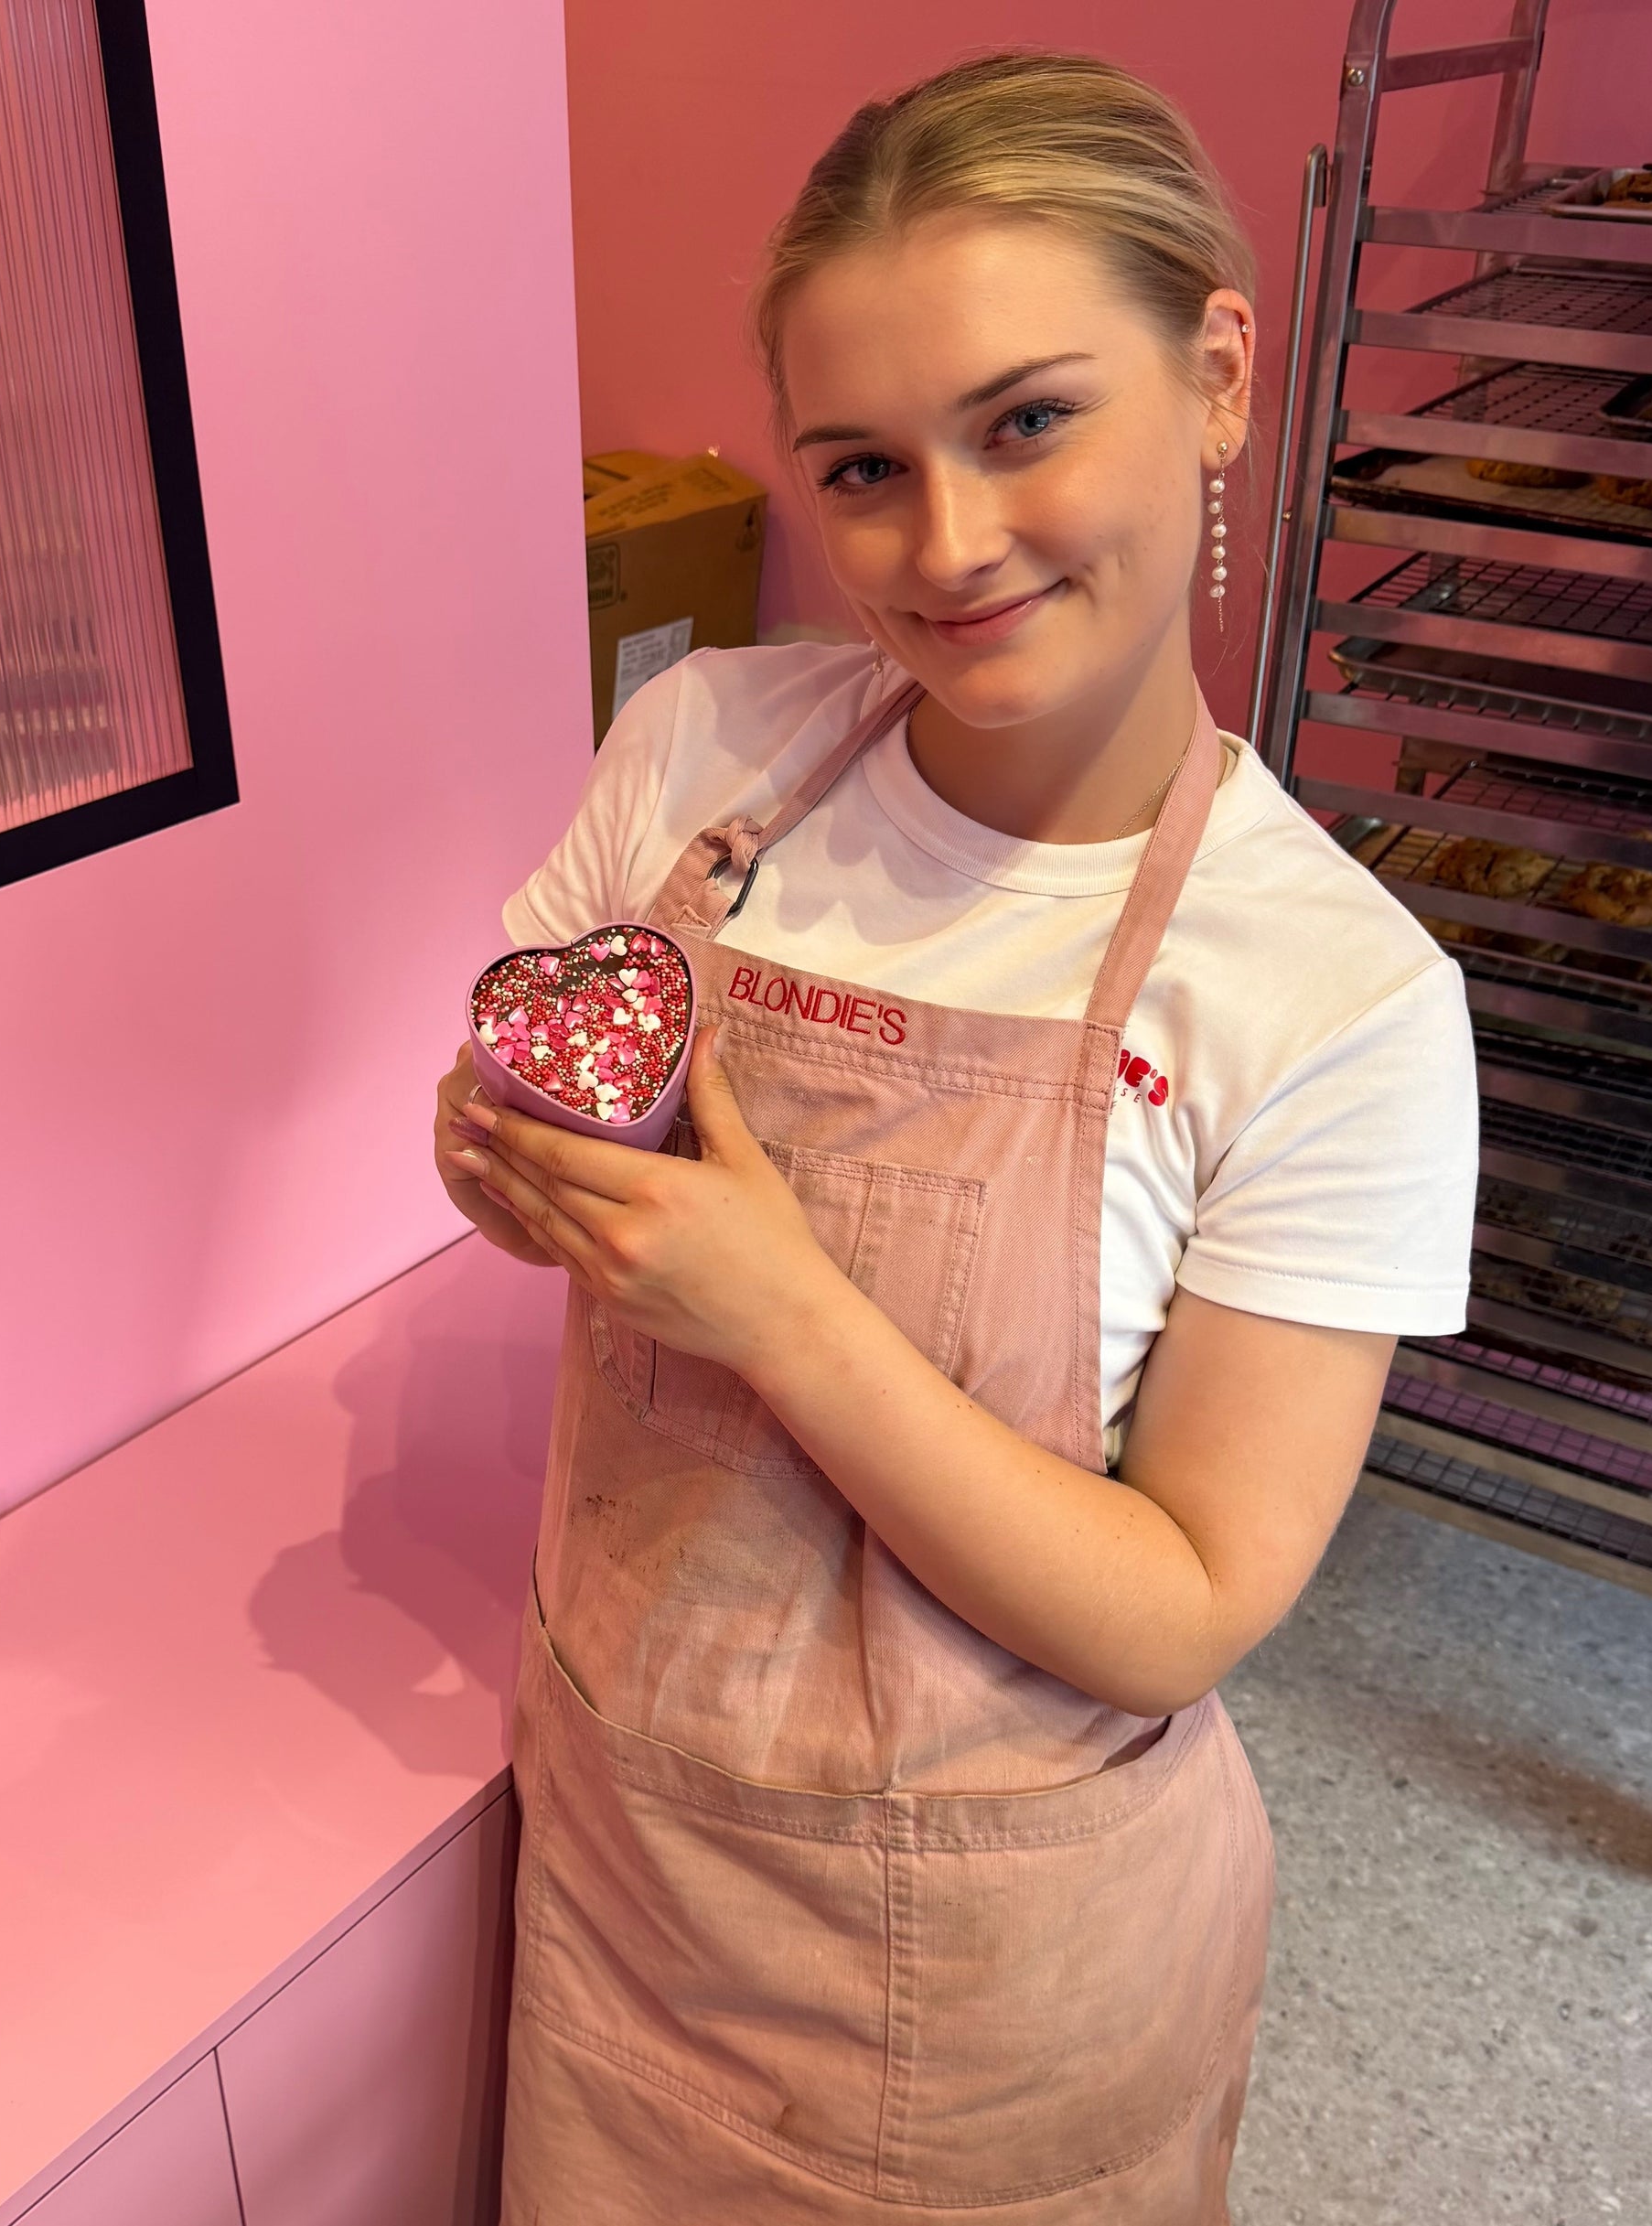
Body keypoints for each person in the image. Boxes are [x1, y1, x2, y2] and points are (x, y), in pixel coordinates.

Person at [434, 49, 1477, 2223]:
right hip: (629, 1872)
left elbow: (1185, 1601)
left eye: (1025, 421)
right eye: (859, 465)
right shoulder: (703, 749)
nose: (947, 542)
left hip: (995, 1998)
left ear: (1214, 375)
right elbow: (537, 1142)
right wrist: (502, 1162)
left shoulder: (1338, 1001)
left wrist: (780, 1308)